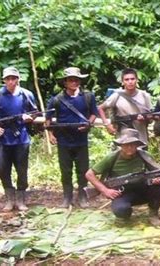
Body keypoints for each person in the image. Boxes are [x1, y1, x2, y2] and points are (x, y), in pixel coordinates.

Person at [85, 128, 160, 226]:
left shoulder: (144, 155)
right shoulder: (112, 157)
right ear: (121, 145)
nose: (130, 147)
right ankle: (123, 217)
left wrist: (155, 180)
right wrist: (105, 190)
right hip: (122, 193)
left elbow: (157, 171)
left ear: (137, 145)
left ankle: (153, 214)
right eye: (126, 144)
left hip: (142, 189)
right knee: (121, 210)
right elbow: (89, 174)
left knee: (158, 187)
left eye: (133, 144)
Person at [46, 67, 99, 208]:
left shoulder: (88, 97)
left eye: (76, 80)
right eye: (71, 80)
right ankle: (67, 197)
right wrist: (50, 134)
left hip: (81, 140)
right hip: (63, 140)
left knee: (83, 170)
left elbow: (94, 113)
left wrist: (89, 124)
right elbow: (48, 119)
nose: (74, 82)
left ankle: (82, 196)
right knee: (65, 170)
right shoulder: (56, 99)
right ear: (65, 82)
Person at [0, 66, 38, 211]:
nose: (11, 81)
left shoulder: (26, 94)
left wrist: (29, 118)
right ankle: (9, 199)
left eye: (13, 78)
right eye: (8, 79)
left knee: (22, 170)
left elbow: (34, 112)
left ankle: (21, 199)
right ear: (4, 80)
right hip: (3, 139)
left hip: (21, 139)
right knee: (3, 170)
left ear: (18, 79)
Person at [98, 68, 152, 145]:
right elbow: (100, 108)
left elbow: (151, 116)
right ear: (122, 82)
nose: (130, 82)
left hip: (141, 137)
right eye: (126, 79)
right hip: (122, 137)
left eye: (132, 79)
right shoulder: (117, 96)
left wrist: (145, 119)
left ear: (137, 80)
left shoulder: (144, 96)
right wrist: (107, 125)